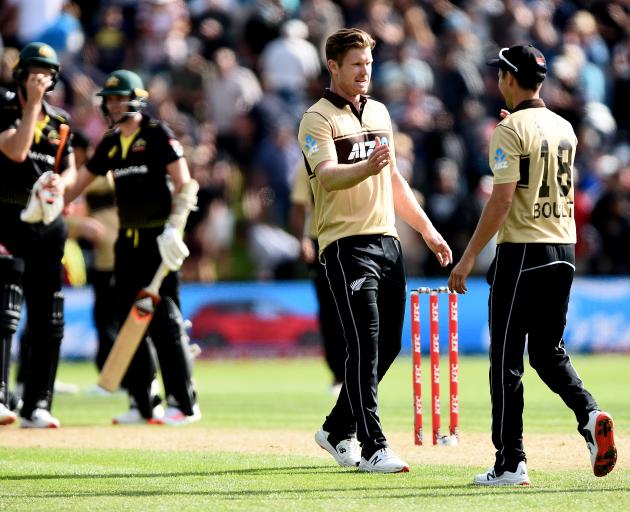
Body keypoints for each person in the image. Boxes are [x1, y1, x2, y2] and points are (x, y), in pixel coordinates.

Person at [448, 44, 617, 486]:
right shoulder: (564, 127)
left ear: (508, 78)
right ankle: (590, 413)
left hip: (522, 250)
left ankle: (510, 462)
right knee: (547, 351)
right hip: (563, 250)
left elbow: (503, 200)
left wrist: (467, 258)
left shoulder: (507, 131)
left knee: (506, 358)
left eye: (500, 74)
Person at [297, 28, 452, 473]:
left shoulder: (380, 112)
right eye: (356, 65)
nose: (365, 72)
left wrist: (426, 229)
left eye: (368, 64)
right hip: (346, 245)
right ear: (333, 67)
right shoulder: (317, 118)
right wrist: (368, 165)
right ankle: (374, 446)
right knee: (364, 345)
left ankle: (334, 429)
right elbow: (327, 175)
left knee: (386, 349)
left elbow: (393, 182)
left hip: (388, 241)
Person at [64, 69, 201, 426]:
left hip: (160, 238)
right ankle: (143, 401)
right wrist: (49, 197)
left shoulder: (157, 134)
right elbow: (76, 186)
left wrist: (175, 228)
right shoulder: (111, 142)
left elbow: (185, 185)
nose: (112, 105)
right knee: (130, 319)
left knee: (165, 320)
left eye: (118, 98)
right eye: (108, 99)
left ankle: (184, 402)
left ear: (135, 99)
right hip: (127, 241)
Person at [0, 42, 76, 428]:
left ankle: (37, 402)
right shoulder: (5, 108)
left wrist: (60, 187)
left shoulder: (62, 121)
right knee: (5, 307)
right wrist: (30, 104)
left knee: (49, 314)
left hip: (46, 226)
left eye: (45, 74)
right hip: (6, 216)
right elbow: (15, 151)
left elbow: (72, 169)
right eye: (33, 73)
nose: (40, 79)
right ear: (21, 76)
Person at [289, 161, 345, 393]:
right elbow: (299, 206)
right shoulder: (307, 164)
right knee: (329, 310)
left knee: (356, 309)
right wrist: (301, 239)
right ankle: (338, 375)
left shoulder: (355, 154)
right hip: (321, 240)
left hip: (354, 237)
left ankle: (359, 375)